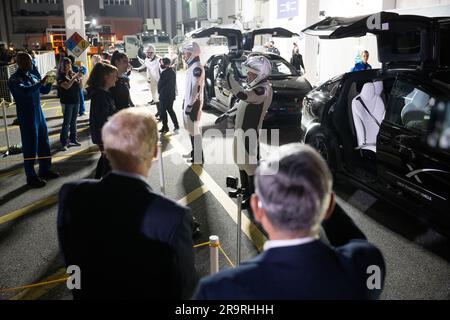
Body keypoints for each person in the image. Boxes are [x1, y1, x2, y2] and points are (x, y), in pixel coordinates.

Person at [195, 143, 386, 300]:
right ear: (328, 206)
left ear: (257, 208)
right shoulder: (367, 264)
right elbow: (358, 244)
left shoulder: (217, 291)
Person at [57, 108, 198, 300]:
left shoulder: (71, 194)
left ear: (106, 150)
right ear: (155, 152)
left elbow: (71, 262)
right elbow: (184, 290)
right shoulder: (173, 216)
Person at [216, 55, 273, 209]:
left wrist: (229, 78)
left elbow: (244, 96)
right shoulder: (256, 87)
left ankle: (253, 197)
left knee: (250, 165)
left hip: (250, 134)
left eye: (251, 73)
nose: (247, 76)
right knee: (240, 161)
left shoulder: (262, 90)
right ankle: (245, 190)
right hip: (242, 132)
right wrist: (226, 114)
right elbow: (241, 103)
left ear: (260, 74)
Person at [7, 52, 60, 188]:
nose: (32, 64)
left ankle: (45, 169)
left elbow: (44, 90)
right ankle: (31, 176)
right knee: (30, 146)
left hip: (38, 113)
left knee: (44, 142)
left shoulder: (32, 75)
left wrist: (49, 81)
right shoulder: (14, 79)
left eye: (31, 61)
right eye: (29, 61)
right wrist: (40, 82)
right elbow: (25, 91)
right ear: (21, 63)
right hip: (27, 116)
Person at [87, 62, 118, 179]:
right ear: (106, 77)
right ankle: (104, 188)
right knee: (109, 162)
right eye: (114, 76)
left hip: (104, 134)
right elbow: (102, 119)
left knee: (105, 159)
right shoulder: (100, 95)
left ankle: (98, 183)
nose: (116, 78)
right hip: (104, 135)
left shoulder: (103, 93)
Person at [182, 41, 205, 164]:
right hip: (190, 102)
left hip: (194, 104)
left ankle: (198, 157)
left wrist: (190, 105)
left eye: (185, 53)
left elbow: (196, 88)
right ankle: (194, 153)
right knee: (191, 130)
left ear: (191, 53)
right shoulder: (192, 66)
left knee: (195, 131)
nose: (184, 56)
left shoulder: (196, 67)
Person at [57, 57, 82, 151]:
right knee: (66, 123)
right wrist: (75, 77)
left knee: (74, 122)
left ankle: (73, 139)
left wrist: (80, 78)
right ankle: (64, 142)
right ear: (62, 66)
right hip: (67, 102)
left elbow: (80, 87)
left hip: (76, 100)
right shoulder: (61, 77)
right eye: (67, 64)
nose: (69, 66)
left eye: (70, 64)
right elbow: (66, 86)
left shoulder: (72, 74)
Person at [136, 45, 161, 112]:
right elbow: (142, 67)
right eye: (147, 52)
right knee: (155, 97)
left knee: (160, 98)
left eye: (151, 52)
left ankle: (162, 114)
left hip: (160, 81)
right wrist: (133, 69)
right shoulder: (147, 60)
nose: (149, 54)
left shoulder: (159, 60)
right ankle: (159, 112)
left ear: (154, 52)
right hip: (153, 82)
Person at [158, 57, 179, 134]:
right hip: (170, 95)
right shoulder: (172, 72)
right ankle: (176, 125)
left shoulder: (165, 72)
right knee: (170, 109)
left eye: (162, 63)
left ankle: (165, 127)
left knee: (163, 111)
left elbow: (160, 84)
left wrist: (159, 91)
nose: (160, 64)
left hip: (164, 95)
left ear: (166, 64)